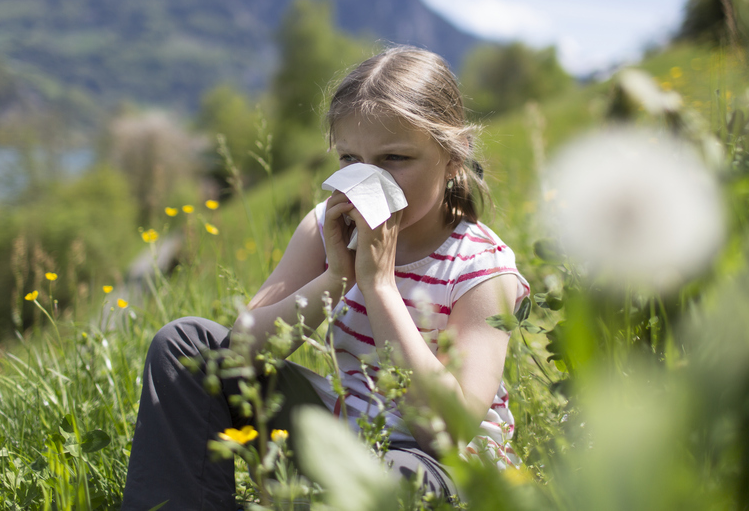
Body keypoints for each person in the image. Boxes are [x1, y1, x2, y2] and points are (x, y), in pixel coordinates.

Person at [121, 46, 530, 510]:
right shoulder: (326, 227)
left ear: (454, 157)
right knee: (186, 345)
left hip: (446, 470)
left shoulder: (481, 268)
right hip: (347, 434)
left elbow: (445, 432)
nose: (369, 180)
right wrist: (337, 275)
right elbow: (237, 353)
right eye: (350, 159)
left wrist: (378, 287)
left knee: (397, 478)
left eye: (395, 158)